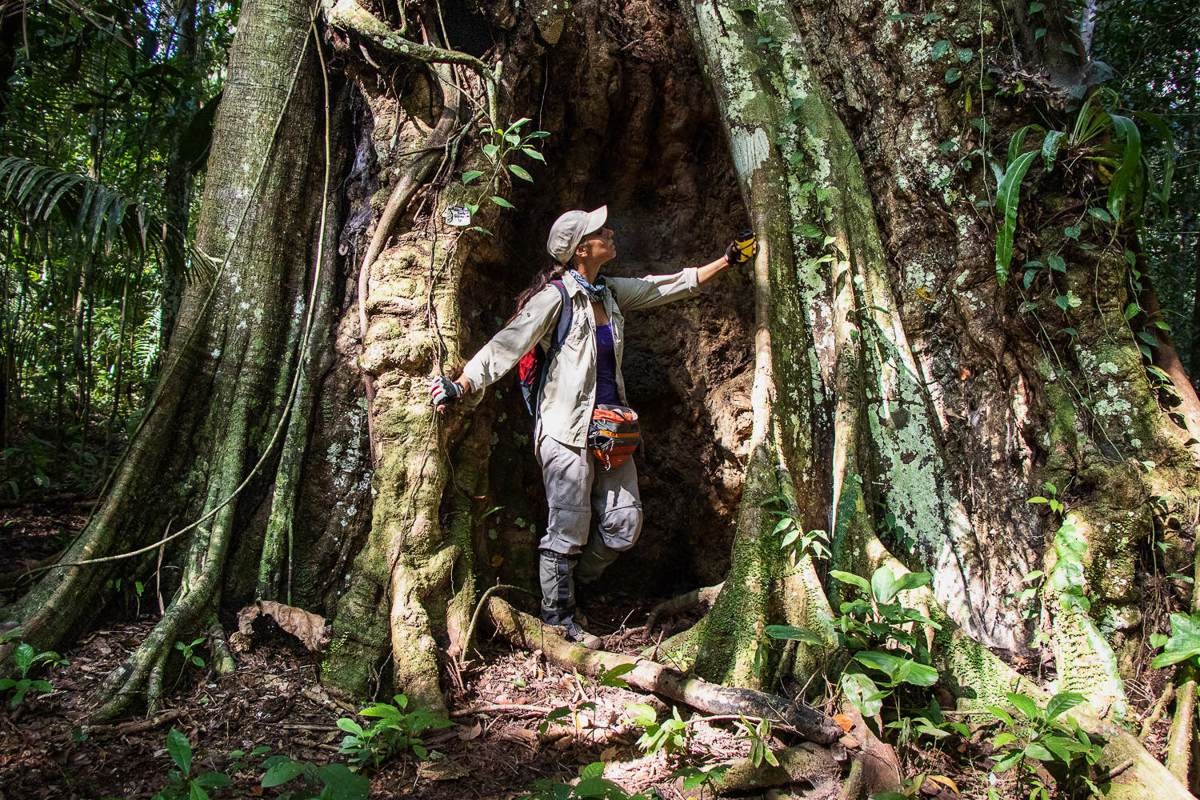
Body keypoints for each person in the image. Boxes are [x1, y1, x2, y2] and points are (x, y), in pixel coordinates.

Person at [430, 205, 754, 647]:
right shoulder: (556, 297)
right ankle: (558, 619)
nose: (612, 232)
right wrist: (463, 382)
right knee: (567, 528)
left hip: (610, 430)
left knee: (623, 525)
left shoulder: (608, 292)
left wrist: (727, 260)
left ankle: (576, 585)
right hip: (565, 431)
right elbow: (508, 344)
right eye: (601, 231)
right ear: (582, 249)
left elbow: (665, 287)